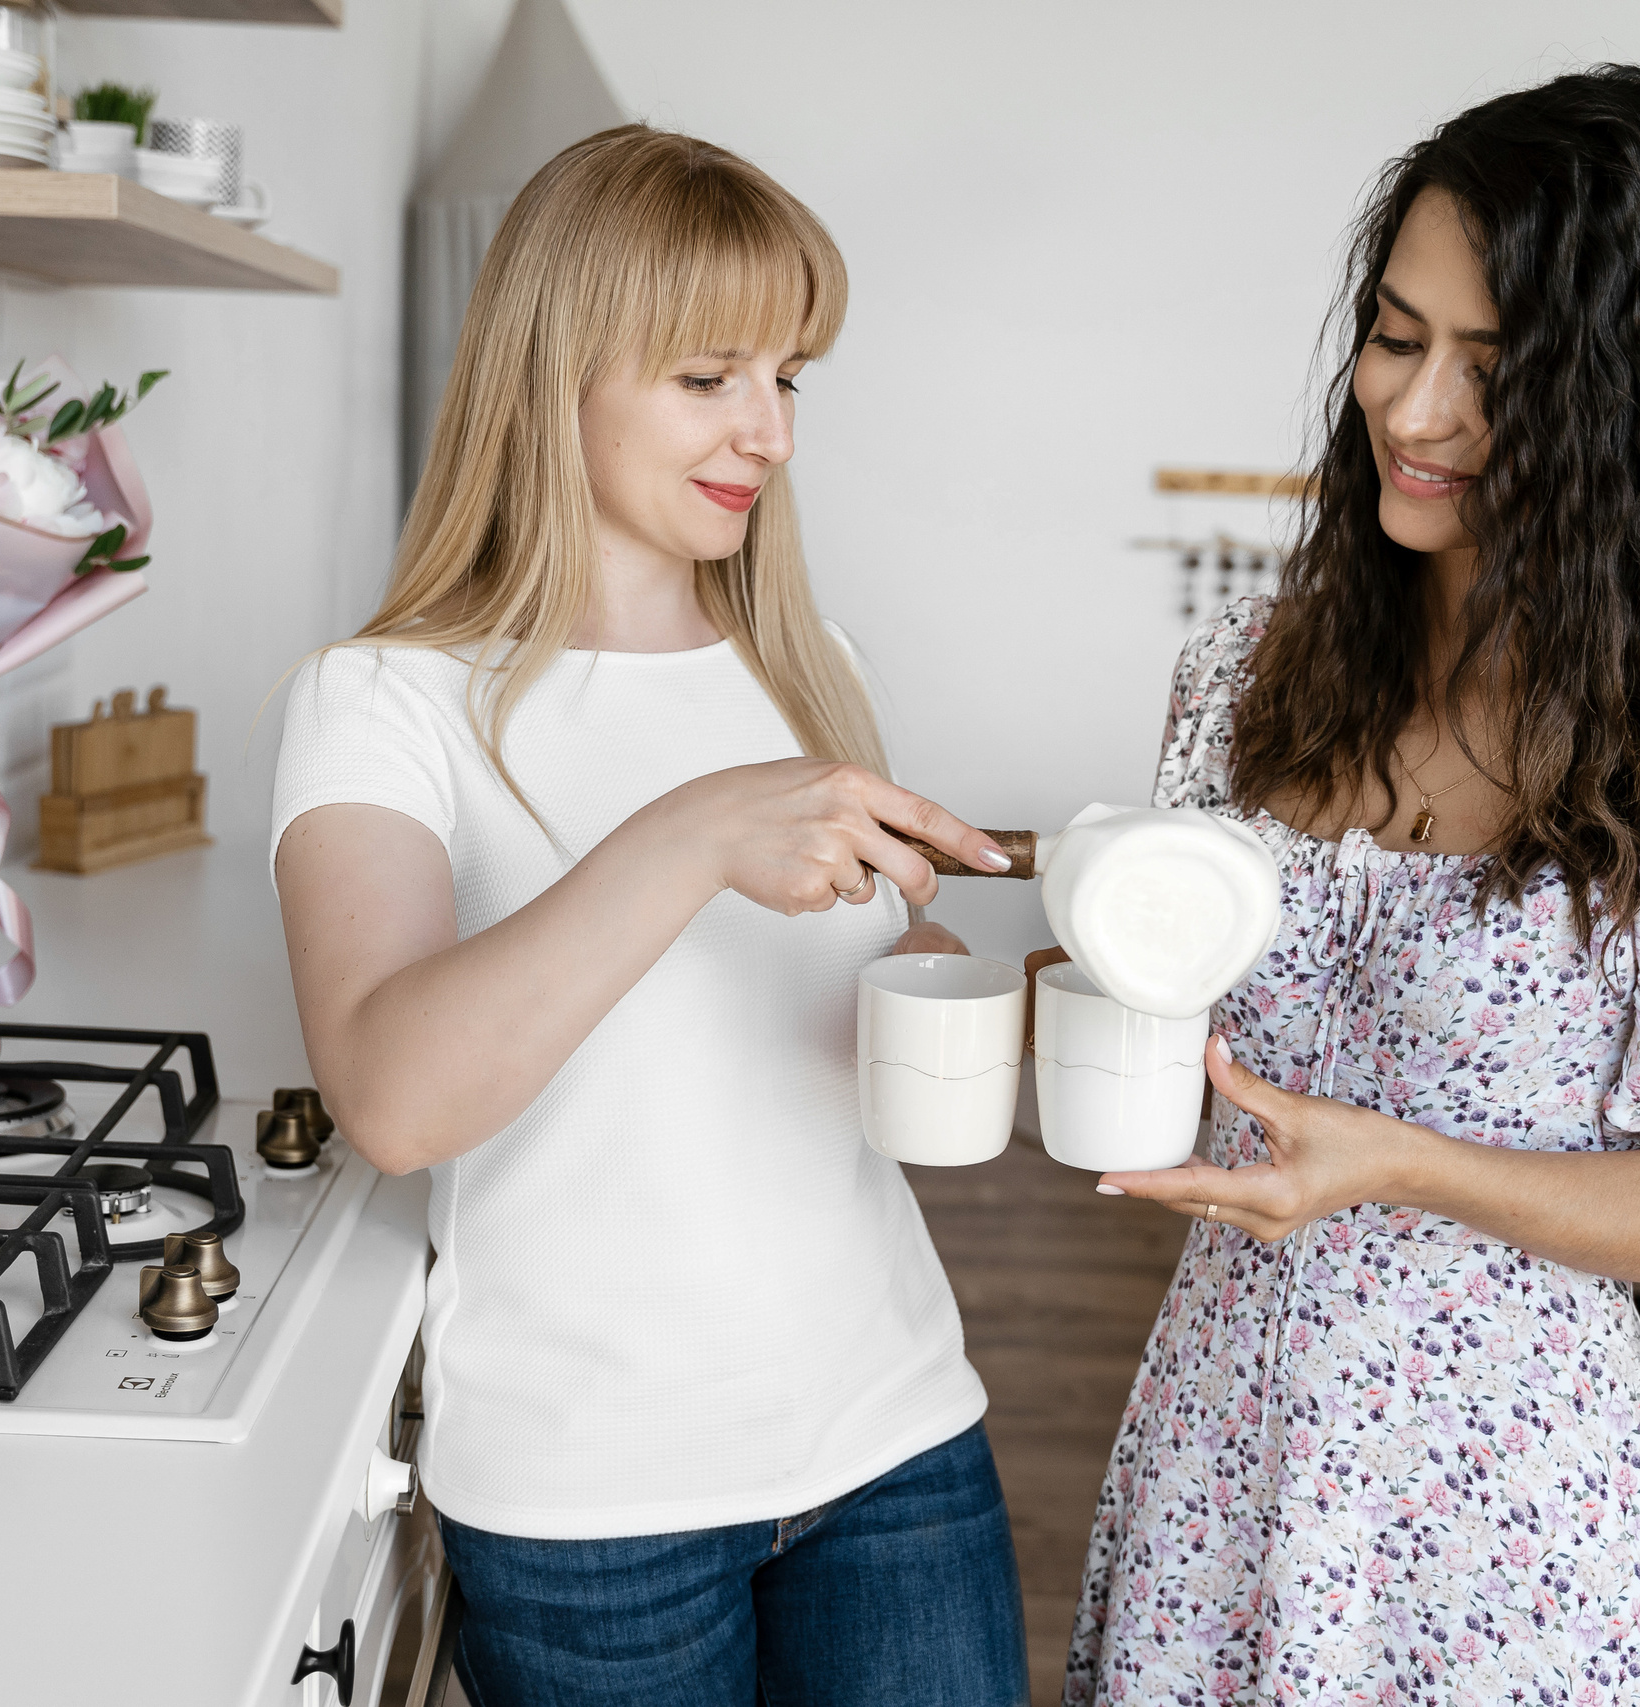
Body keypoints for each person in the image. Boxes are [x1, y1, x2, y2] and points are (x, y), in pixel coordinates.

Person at [1064, 66, 1640, 1705]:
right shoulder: (1242, 675)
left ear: (1637, 422)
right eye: (1395, 335)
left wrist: (1405, 1169)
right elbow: (1180, 1008)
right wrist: (1060, 972)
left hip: (1522, 1537)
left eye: (1497, 370)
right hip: (1221, 1463)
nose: (1415, 410)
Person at [270, 126, 1029, 1707]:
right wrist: (684, 837)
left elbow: (782, 1026)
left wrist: (932, 986)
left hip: (893, 1430)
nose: (771, 429)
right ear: (559, 376)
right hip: (591, 1504)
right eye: (711, 377)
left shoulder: (812, 662)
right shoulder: (386, 701)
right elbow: (395, 1099)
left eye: (790, 376)